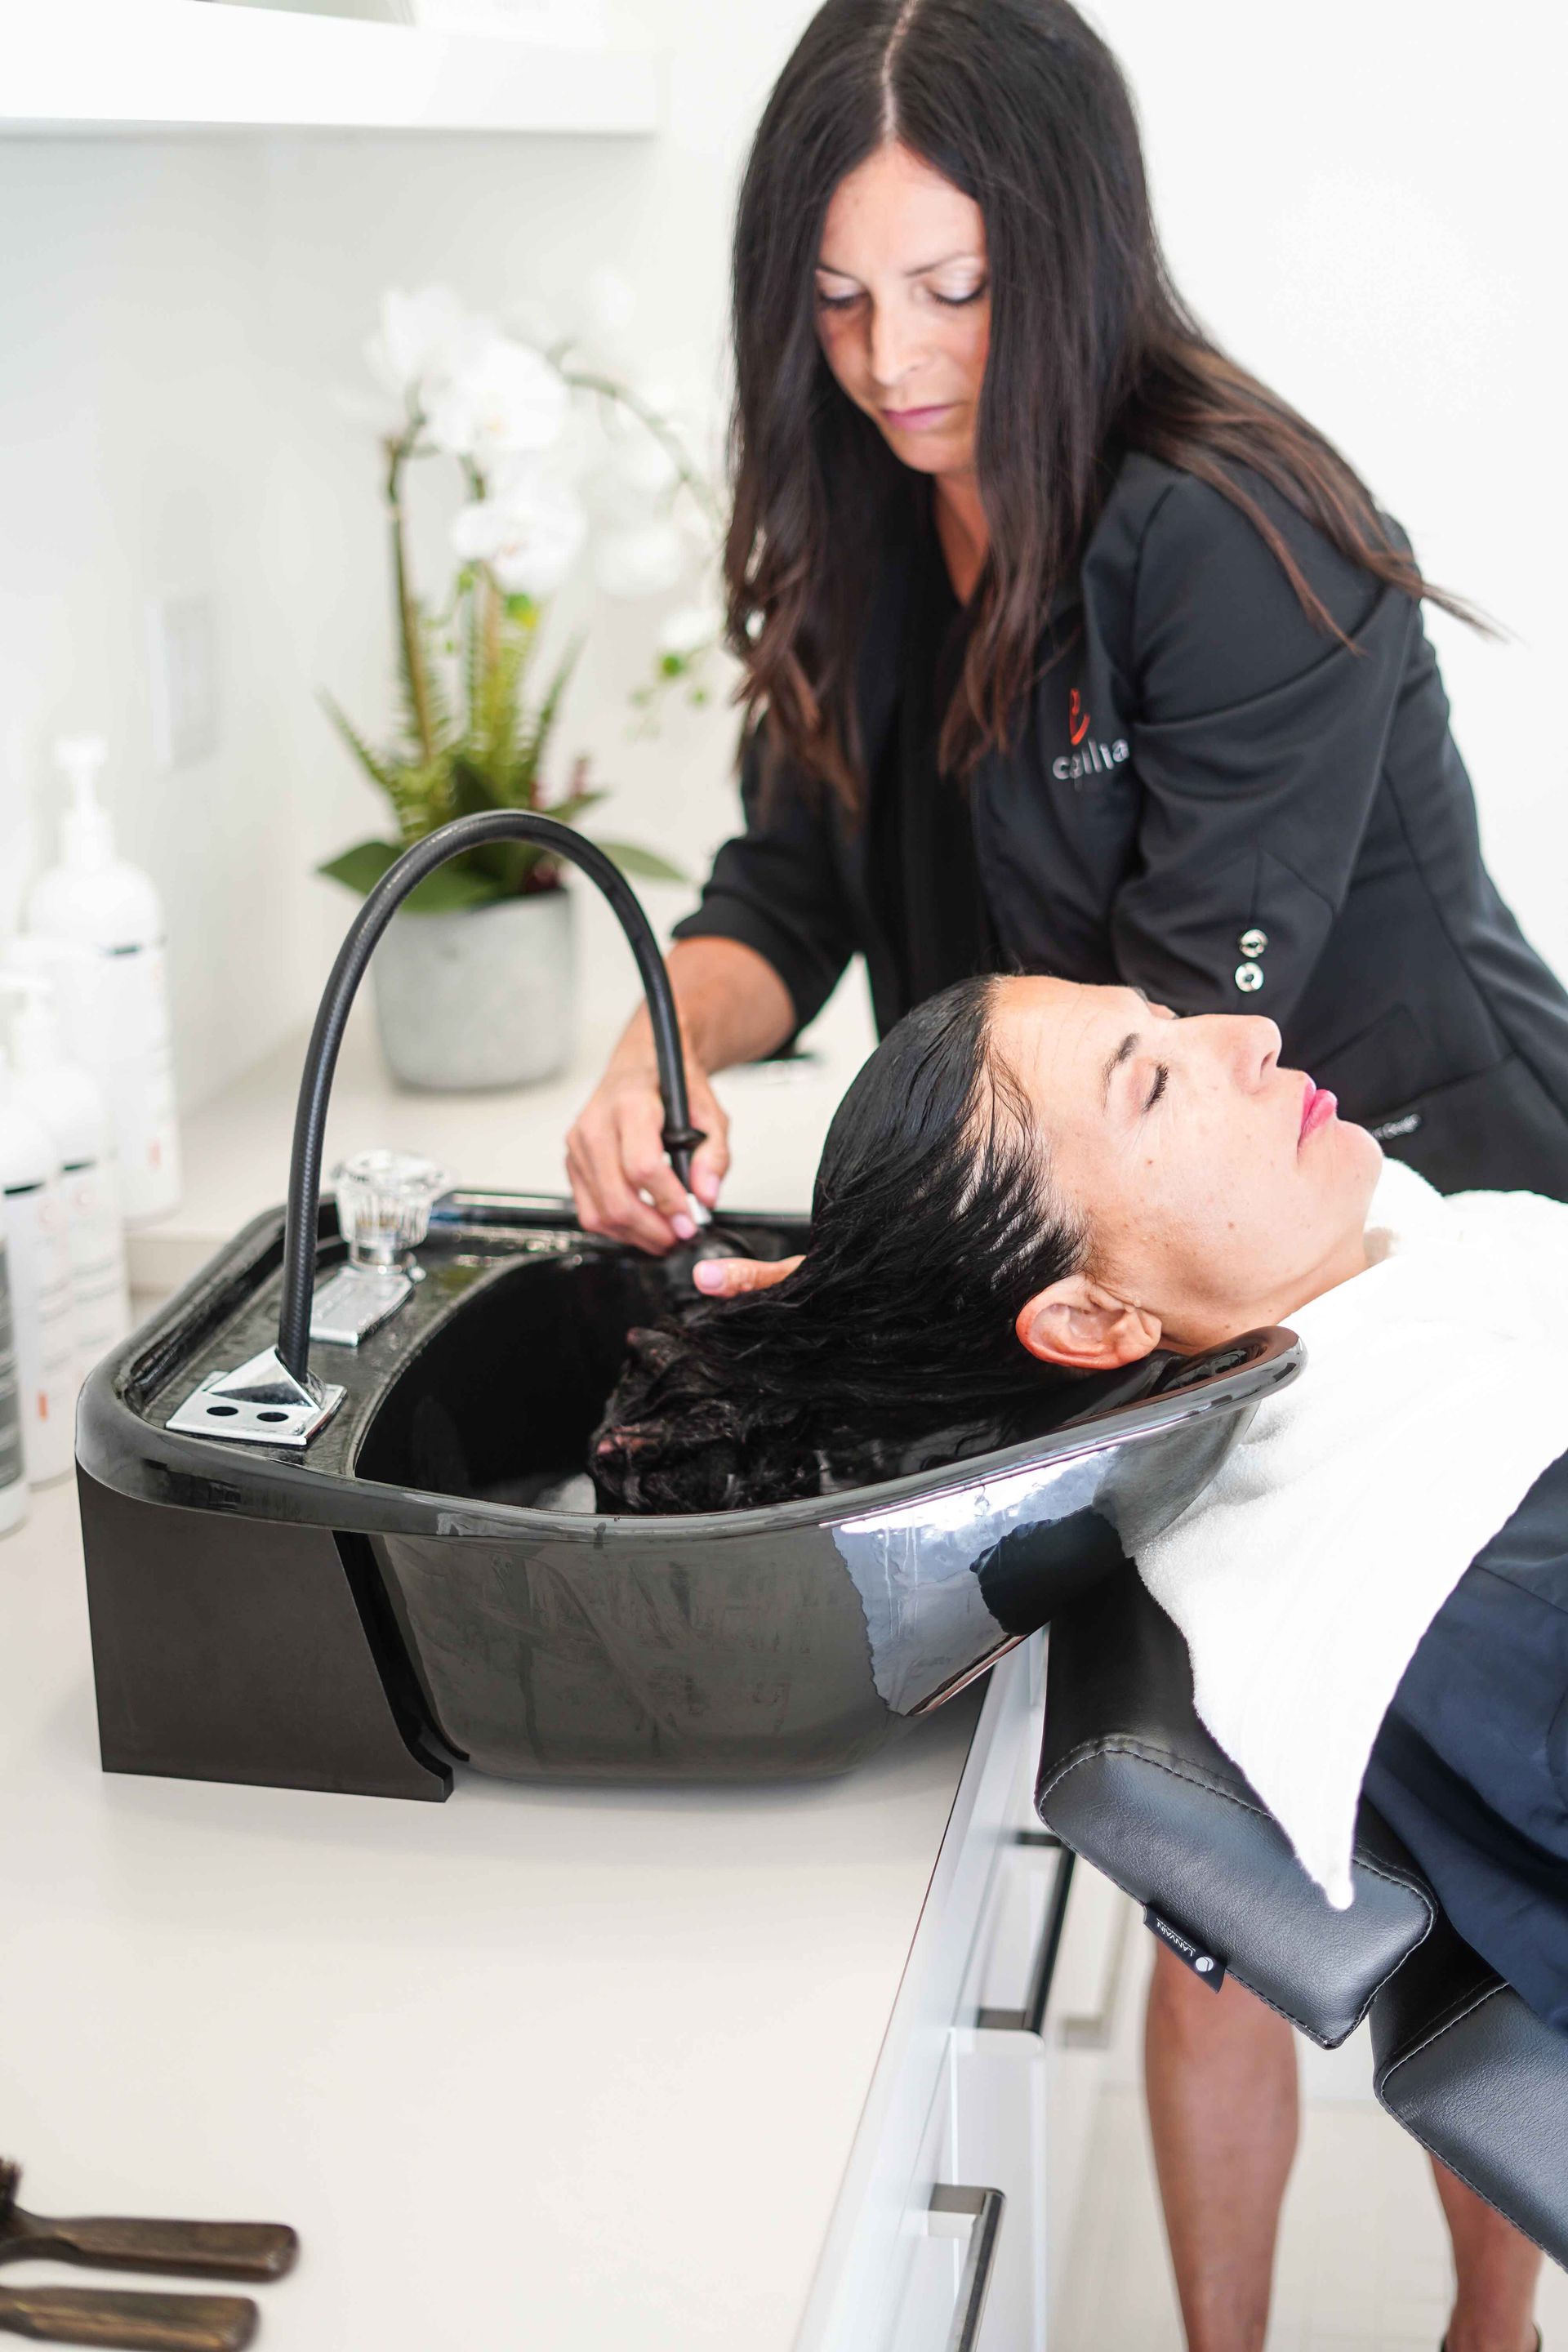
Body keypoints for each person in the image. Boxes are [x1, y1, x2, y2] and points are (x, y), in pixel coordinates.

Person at [566, 2, 1568, 2341]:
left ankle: (1488, 2317)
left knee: (1413, 1810)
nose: (896, 358)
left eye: (954, 288)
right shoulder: (854, 547)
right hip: (1122, 1248)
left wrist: (898, 1299)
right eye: (836, 299)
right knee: (1210, 1900)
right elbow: (773, 911)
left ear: (1074, 256)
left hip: (1370, 1195)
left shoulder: (1231, 534)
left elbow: (1190, 1036)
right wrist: (653, 1049)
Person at [595, 974, 1563, 2352]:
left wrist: (903, 1282)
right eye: (1153, 1080)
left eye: (1173, 1025)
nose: (1253, 1032)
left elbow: (1127, 1223)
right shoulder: (1469, 1562)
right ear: (1097, 1325)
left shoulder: (1353, 1293)